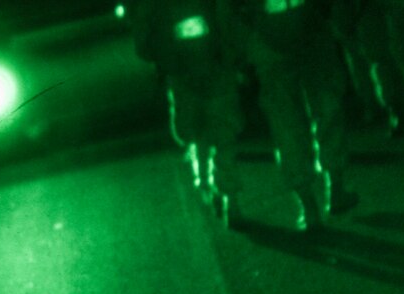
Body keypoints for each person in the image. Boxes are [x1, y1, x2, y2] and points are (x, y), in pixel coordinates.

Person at [224, 0, 360, 232]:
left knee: (294, 123)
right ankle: (326, 194)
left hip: (287, 33)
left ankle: (314, 204)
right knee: (317, 114)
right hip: (294, 32)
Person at [130, 0, 247, 228]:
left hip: (203, 63)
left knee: (214, 130)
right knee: (206, 130)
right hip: (196, 64)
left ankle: (222, 192)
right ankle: (215, 188)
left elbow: (143, 39)